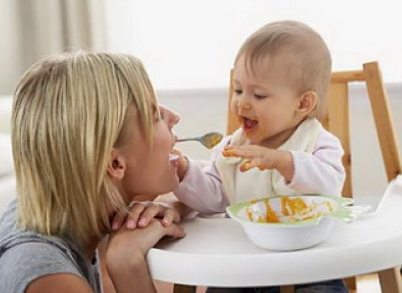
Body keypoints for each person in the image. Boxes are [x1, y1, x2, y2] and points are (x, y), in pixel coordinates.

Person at [173, 20, 348, 293]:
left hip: (309, 263)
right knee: (219, 288)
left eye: (258, 95)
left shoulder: (317, 142)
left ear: (302, 104)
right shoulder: (234, 147)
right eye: (239, 90)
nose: (242, 102)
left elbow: (330, 187)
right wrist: (184, 169)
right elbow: (213, 198)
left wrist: (283, 162)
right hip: (243, 262)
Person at [0, 51, 187, 293]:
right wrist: (127, 266)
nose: (174, 118)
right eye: (156, 116)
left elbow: (184, 187)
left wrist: (168, 207)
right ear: (115, 165)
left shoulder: (54, 205)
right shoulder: (48, 279)